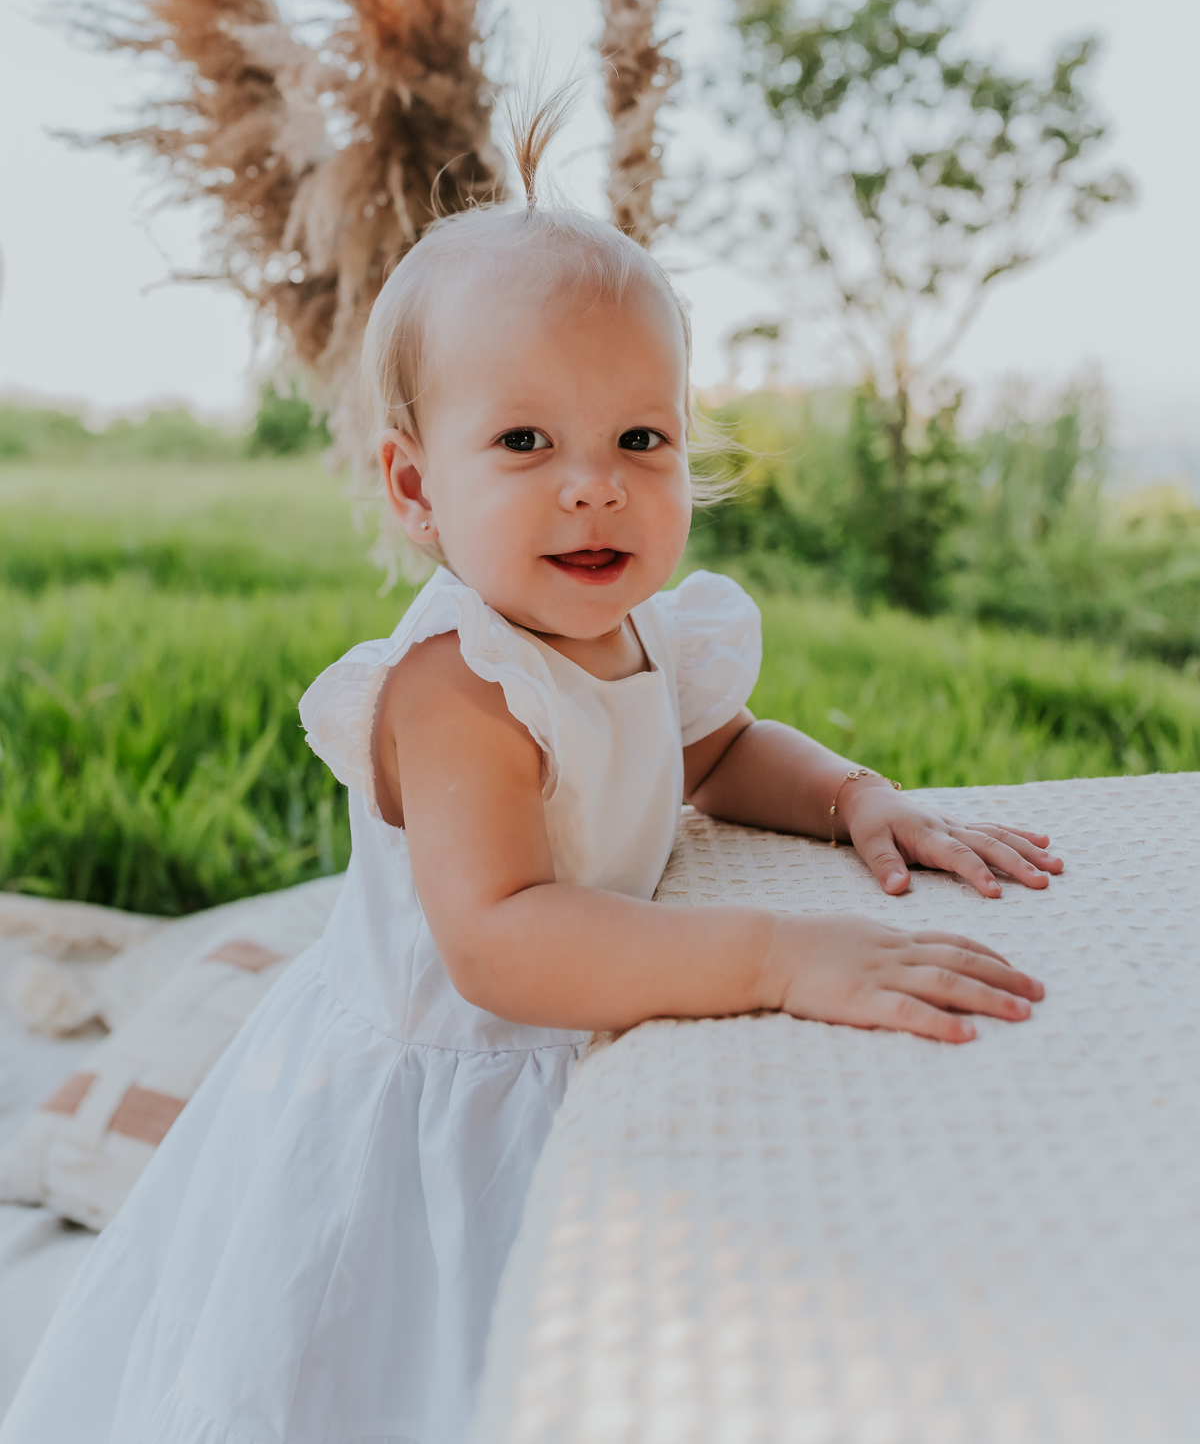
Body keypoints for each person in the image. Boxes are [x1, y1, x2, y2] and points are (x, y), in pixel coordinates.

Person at [0, 114, 1059, 1444]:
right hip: (438, 1109)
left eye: (638, 439)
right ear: (413, 484)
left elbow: (718, 749)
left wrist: (854, 794)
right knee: (414, 1376)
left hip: (557, 1056)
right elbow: (501, 938)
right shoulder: (461, 686)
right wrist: (780, 954)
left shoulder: (641, 633)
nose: (594, 490)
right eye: (523, 443)